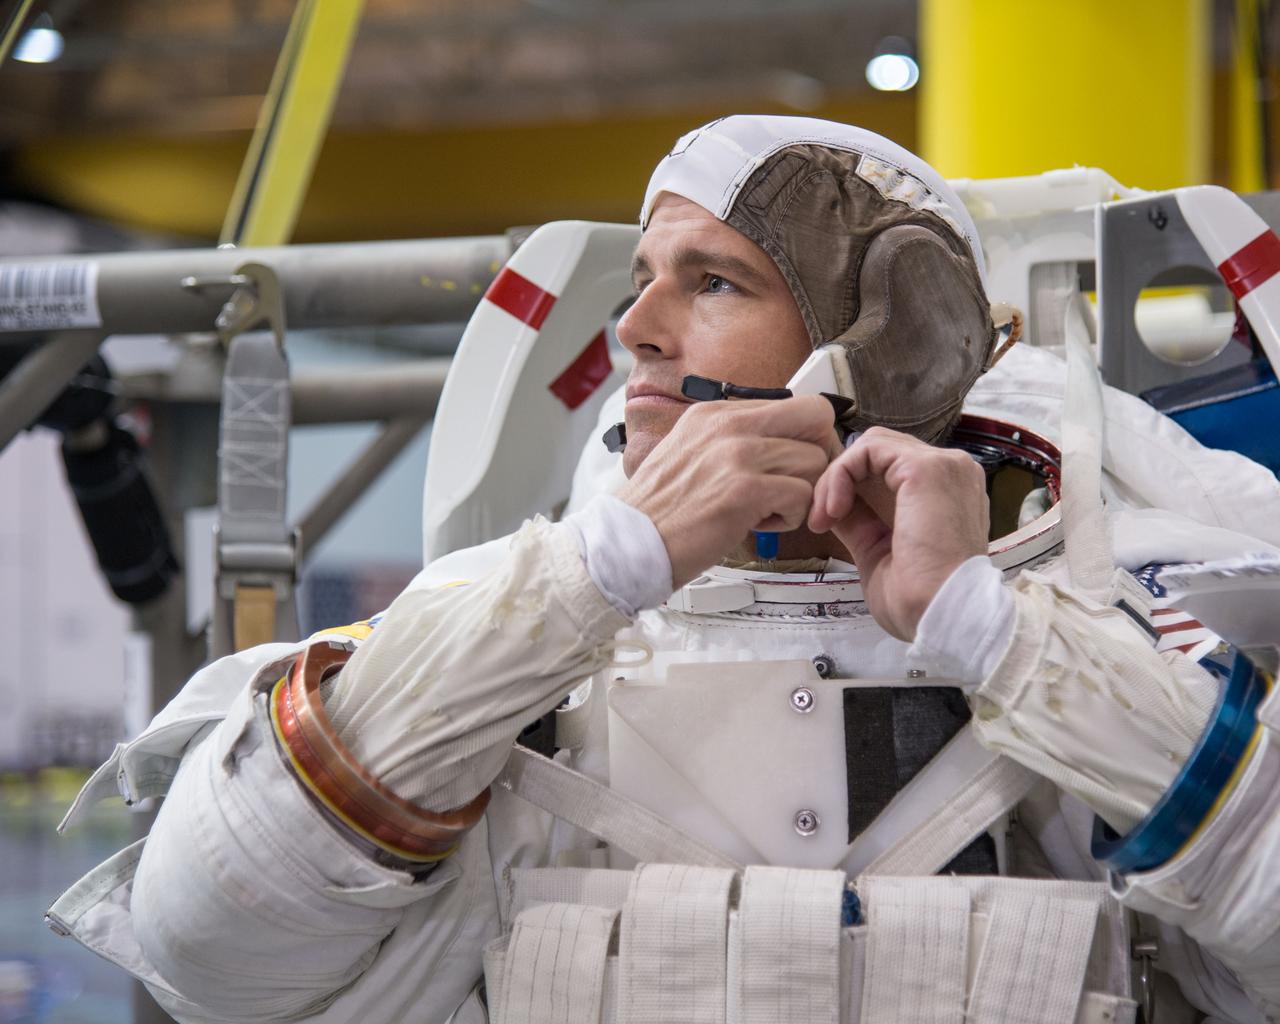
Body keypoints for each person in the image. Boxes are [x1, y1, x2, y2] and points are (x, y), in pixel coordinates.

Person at [51, 116, 1280, 1024]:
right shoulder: (515, 631)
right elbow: (207, 951)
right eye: (642, 280)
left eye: (712, 282)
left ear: (890, 348)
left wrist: (993, 634)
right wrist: (594, 575)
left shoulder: (1122, 598)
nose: (637, 326)